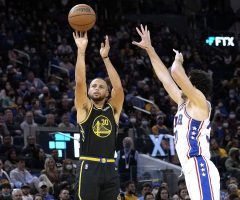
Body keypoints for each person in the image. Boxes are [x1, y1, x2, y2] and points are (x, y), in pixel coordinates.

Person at [132, 25, 220, 200]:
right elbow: (165, 78)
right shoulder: (183, 101)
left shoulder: (201, 102)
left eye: (187, 80)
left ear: (194, 86)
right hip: (189, 167)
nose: (183, 81)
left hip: (199, 165)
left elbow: (174, 71)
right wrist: (150, 49)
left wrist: (179, 60)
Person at [73, 31, 124, 200]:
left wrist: (106, 58)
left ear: (108, 92)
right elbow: (80, 81)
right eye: (93, 86)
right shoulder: (85, 108)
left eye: (101, 86)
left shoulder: (113, 110)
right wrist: (81, 51)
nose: (96, 88)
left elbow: (119, 87)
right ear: (88, 91)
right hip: (89, 164)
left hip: (110, 167)